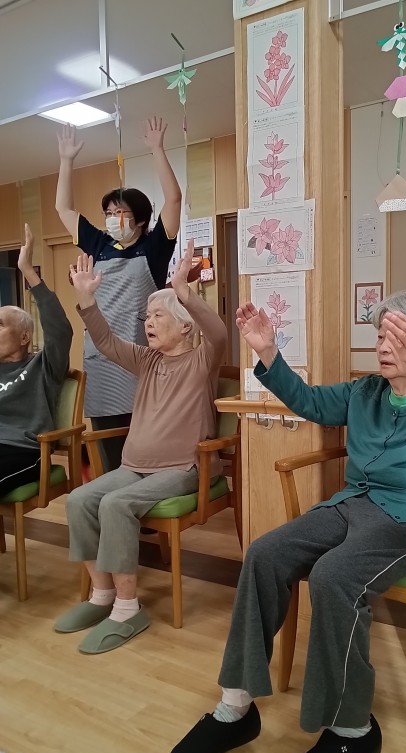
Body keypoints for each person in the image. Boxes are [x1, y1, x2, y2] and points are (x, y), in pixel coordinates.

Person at [167, 289, 406, 753]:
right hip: (355, 503)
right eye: (380, 334)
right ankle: (235, 708)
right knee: (264, 553)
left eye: (397, 336)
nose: (382, 344)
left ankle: (352, 729)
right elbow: (311, 403)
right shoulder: (366, 392)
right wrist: (267, 352)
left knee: (335, 575)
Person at [54, 241, 227, 654]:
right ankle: (102, 595)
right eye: (146, 316)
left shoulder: (201, 361)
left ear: (185, 326)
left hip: (182, 468)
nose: (148, 322)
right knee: (79, 500)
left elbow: (219, 333)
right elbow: (106, 342)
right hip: (134, 467)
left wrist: (184, 292)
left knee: (116, 505)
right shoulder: (147, 360)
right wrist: (87, 300)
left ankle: (128, 607)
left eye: (157, 316)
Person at [55, 117, 182, 471]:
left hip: (141, 362)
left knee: (147, 452)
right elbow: (64, 210)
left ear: (140, 219)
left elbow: (174, 199)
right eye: (108, 213)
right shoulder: (98, 244)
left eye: (120, 212)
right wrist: (66, 160)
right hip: (101, 365)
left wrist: (157, 149)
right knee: (110, 455)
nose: (112, 219)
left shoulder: (154, 248)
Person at [0, 224, 72, 497]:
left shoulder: (43, 366)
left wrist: (28, 271)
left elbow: (61, 331)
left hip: (23, 449)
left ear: (24, 337)